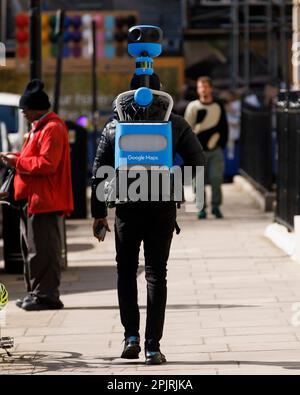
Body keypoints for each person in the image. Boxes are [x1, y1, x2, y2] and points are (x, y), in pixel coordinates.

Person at [91, 74, 205, 365]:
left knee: (126, 272)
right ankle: (153, 347)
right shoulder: (175, 123)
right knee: (156, 274)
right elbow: (197, 161)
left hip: (127, 208)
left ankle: (131, 337)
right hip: (161, 207)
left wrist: (99, 212)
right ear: (159, 93)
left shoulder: (116, 125)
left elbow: (99, 169)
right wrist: (174, 185)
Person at [0, 79, 73, 311]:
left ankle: (47, 295)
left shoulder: (52, 128)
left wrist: (17, 161)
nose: (23, 113)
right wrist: (17, 157)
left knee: (44, 250)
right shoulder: (38, 128)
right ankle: (36, 292)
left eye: (25, 109)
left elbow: (47, 164)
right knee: (31, 250)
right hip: (32, 199)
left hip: (46, 200)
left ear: (38, 108)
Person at [184, 76, 228, 219]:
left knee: (216, 178)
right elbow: (187, 129)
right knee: (198, 182)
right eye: (200, 87)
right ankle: (201, 208)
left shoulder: (218, 106)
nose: (202, 89)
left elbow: (224, 127)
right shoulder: (193, 107)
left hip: (215, 150)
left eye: (205, 86)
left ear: (211, 88)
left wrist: (221, 144)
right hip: (198, 152)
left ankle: (216, 207)